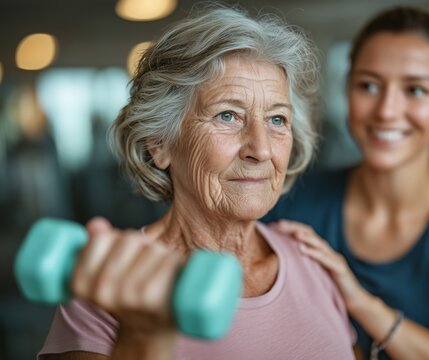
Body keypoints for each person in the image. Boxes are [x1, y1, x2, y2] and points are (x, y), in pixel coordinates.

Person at [37, 5, 358, 360]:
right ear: (159, 144)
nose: (262, 149)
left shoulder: (312, 261)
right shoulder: (103, 290)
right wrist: (142, 337)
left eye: (277, 119)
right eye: (228, 115)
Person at [263, 5, 429, 360]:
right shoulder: (288, 199)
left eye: (415, 90)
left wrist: (361, 303)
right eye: (368, 85)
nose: (386, 110)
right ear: (347, 92)